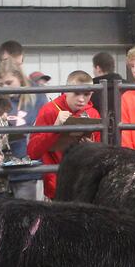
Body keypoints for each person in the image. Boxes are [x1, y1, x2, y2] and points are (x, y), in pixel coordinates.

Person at [29, 70, 101, 200]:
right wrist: (55, 128)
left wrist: (92, 147)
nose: (81, 99)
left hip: (83, 184)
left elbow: (100, 151)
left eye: (86, 94)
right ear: (66, 90)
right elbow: (33, 152)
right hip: (56, 184)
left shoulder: (93, 114)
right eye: (76, 93)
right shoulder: (49, 111)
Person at [0, 59, 47, 200]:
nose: (4, 87)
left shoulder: (37, 95)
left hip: (28, 168)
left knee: (27, 215)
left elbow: (44, 126)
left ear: (20, 78)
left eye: (9, 83)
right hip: (1, 169)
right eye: (0, 84)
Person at [91, 52, 126, 144]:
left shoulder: (90, 90)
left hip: (99, 139)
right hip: (124, 137)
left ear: (98, 68)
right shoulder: (127, 87)